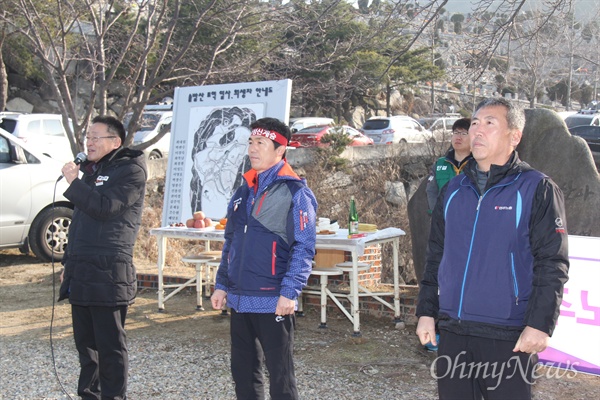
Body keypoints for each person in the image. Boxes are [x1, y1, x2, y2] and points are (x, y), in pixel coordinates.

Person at [416, 97, 569, 400]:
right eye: (474, 122)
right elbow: (435, 255)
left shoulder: (537, 188)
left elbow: (552, 263)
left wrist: (540, 325)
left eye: (490, 123)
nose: (477, 131)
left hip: (508, 333)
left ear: (515, 136)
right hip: (454, 329)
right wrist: (426, 312)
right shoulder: (453, 189)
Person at [211, 117, 317, 400]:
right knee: (243, 375)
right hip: (240, 298)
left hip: (273, 300)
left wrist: (289, 292)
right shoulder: (243, 190)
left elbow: (304, 247)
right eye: (250, 142)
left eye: (260, 143)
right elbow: (231, 241)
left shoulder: (296, 193)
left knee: (280, 377)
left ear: (280, 150)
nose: (252, 149)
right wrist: (222, 284)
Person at [59, 116, 147, 400]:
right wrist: (67, 264)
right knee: (85, 345)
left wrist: (74, 181)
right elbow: (81, 223)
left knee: (109, 346)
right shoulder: (92, 171)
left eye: (97, 137)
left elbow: (105, 207)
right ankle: (89, 395)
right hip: (81, 269)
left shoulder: (131, 171)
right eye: (88, 136)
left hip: (109, 270)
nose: (90, 142)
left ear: (115, 142)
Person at [426, 117, 472, 213]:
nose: (458, 137)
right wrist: (438, 216)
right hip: (443, 221)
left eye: (464, 133)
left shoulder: (478, 165)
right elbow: (431, 191)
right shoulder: (440, 164)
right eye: (456, 132)